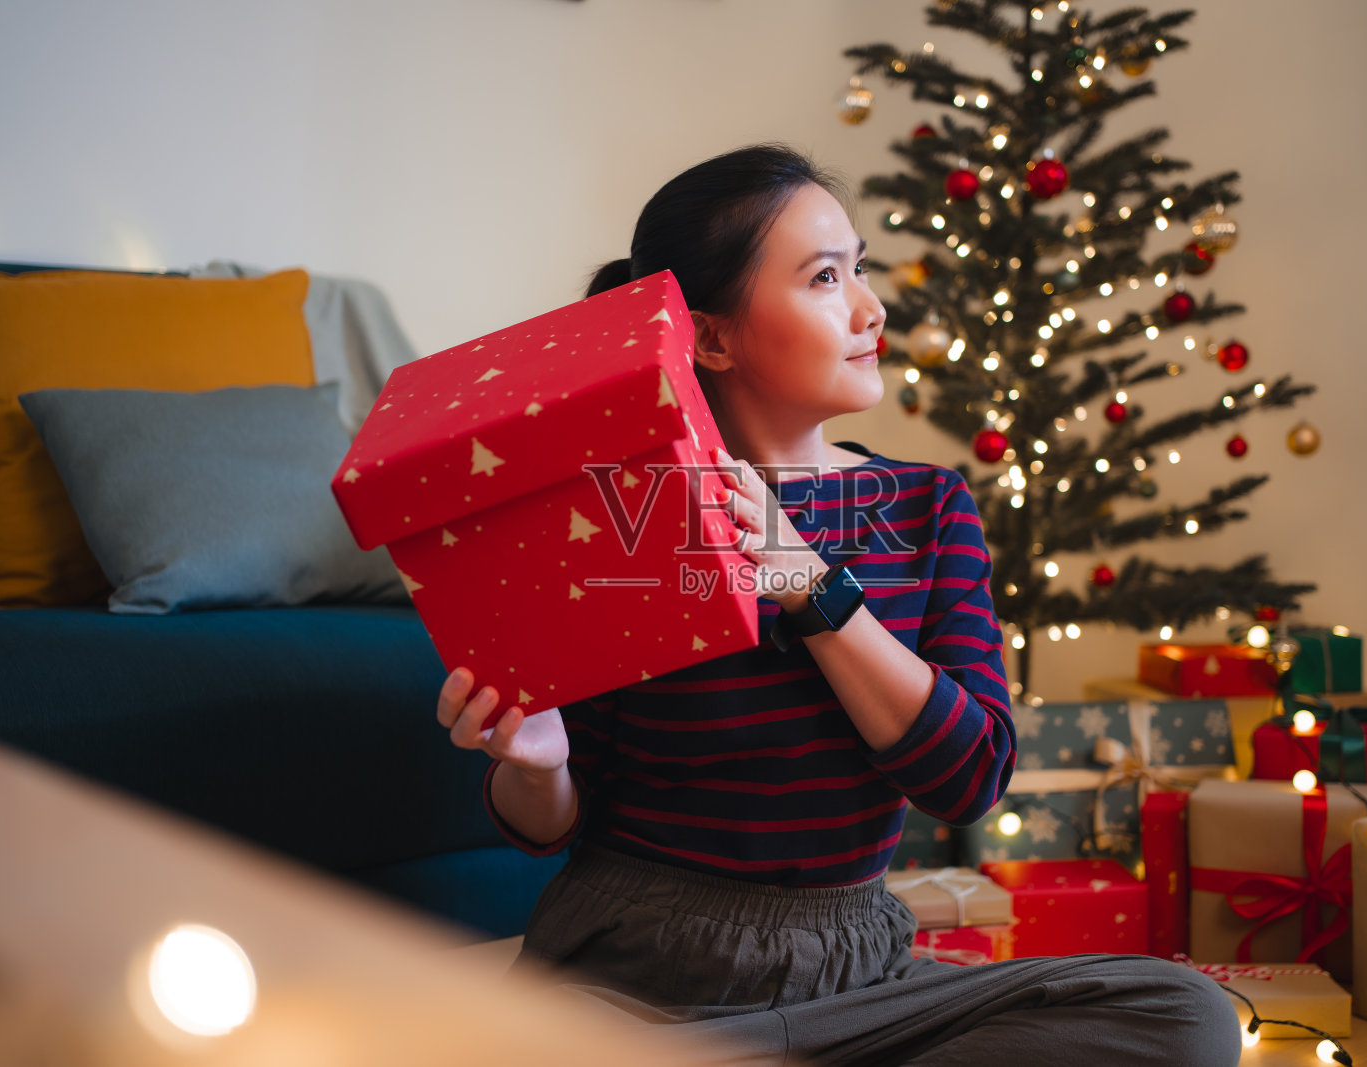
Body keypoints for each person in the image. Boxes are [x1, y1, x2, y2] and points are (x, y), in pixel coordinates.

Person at [435, 144, 1240, 1067]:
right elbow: (553, 829)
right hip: (635, 979)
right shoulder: (624, 513)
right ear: (712, 336)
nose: (871, 307)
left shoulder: (927, 507)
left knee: (1184, 1015)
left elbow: (969, 774)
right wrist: (537, 764)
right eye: (825, 278)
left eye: (858, 268)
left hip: (856, 981)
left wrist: (811, 582)